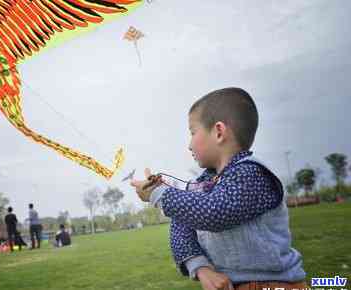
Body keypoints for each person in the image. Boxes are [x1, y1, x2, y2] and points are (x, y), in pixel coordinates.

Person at [131, 88, 307, 290]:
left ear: (219, 132)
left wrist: (158, 194)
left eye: (192, 133)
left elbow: (216, 212)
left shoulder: (250, 174)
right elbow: (181, 226)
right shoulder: (204, 182)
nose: (189, 145)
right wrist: (202, 269)